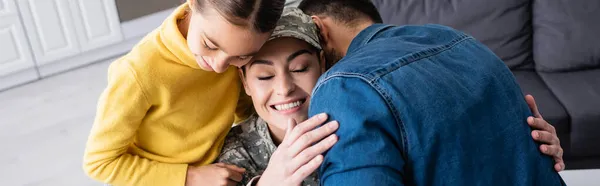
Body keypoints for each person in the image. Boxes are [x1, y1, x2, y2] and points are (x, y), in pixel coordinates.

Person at [217, 7, 565, 186]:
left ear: (324, 60)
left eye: (300, 68)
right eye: (264, 75)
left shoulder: (354, 103)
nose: (283, 89)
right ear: (244, 81)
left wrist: (523, 143)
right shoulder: (237, 152)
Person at [80, 1, 332, 186]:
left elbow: (249, 111)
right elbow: (99, 163)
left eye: (241, 57)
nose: (221, 66)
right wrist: (190, 176)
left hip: (224, 170)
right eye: (210, 45)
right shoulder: (138, 72)